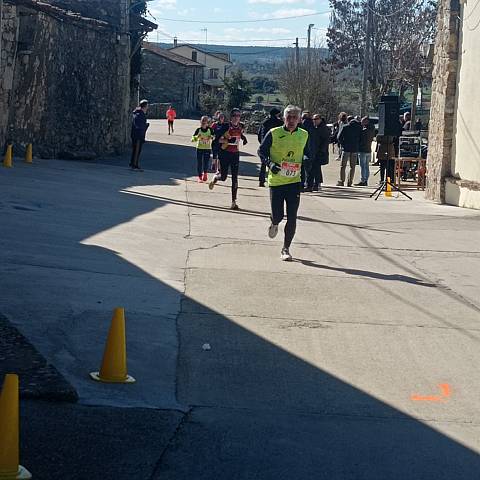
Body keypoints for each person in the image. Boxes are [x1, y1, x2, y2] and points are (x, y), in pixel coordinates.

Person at [258, 105, 309, 261]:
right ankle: (274, 222)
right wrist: (270, 164)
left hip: (294, 181)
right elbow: (261, 151)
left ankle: (286, 248)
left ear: (299, 119)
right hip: (277, 181)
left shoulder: (304, 134)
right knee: (278, 215)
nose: (292, 120)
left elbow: (307, 153)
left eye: (295, 117)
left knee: (292, 217)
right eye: (289, 117)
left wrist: (306, 161)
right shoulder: (274, 133)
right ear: (284, 118)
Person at [209, 108, 247, 210]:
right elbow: (217, 139)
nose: (236, 117)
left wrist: (244, 138)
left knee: (235, 178)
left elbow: (239, 134)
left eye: (238, 115)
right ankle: (216, 177)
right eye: (234, 115)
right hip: (225, 154)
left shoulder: (240, 126)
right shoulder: (225, 126)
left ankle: (233, 202)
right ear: (231, 117)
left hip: (235, 154)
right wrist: (227, 139)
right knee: (224, 177)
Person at [257, 108, 283, 187]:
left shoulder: (265, 122)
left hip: (264, 144)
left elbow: (259, 133)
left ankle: (261, 181)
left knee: (264, 162)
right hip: (275, 145)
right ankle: (274, 179)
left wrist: (262, 143)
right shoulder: (280, 123)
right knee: (275, 162)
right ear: (276, 114)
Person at [305, 115, 330, 191]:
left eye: (316, 119)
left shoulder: (323, 129)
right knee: (313, 169)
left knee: (315, 169)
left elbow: (326, 141)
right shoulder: (314, 128)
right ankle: (312, 185)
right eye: (313, 119)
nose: (314, 121)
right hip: (313, 151)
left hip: (319, 153)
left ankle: (314, 185)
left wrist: (321, 151)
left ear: (320, 119)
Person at [337, 116, 361, 186]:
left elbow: (339, 137)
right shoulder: (359, 128)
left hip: (346, 148)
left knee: (343, 166)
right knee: (352, 166)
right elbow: (361, 138)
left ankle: (341, 181)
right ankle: (350, 182)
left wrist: (343, 144)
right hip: (354, 149)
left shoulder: (345, 127)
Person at [192, 116, 214, 182]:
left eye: (205, 121)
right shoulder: (198, 130)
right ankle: (199, 177)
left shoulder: (210, 130)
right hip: (199, 148)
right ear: (200, 122)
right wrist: (197, 137)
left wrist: (211, 137)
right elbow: (192, 139)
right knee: (199, 163)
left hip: (207, 148)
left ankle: (205, 173)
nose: (203, 122)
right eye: (202, 121)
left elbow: (214, 137)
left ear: (207, 122)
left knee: (206, 162)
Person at [130, 99, 149, 172]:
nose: (147, 107)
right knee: (137, 150)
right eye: (147, 106)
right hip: (138, 135)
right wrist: (145, 126)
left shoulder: (138, 113)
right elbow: (138, 125)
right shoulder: (139, 114)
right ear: (144, 106)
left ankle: (133, 164)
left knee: (136, 150)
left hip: (137, 134)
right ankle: (134, 165)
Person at [356, 116, 376, 186]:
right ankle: (366, 179)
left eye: (363, 121)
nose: (361, 122)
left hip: (362, 150)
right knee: (366, 166)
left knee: (363, 166)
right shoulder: (372, 130)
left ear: (366, 121)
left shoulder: (364, 131)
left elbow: (359, 139)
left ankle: (363, 180)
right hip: (368, 149)